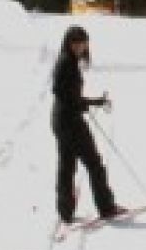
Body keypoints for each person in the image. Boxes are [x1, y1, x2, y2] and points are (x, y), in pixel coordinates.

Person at [51, 25, 126, 223]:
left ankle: (65, 211)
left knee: (67, 165)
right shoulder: (66, 62)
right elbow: (59, 92)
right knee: (94, 164)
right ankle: (107, 207)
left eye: (83, 42)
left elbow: (70, 96)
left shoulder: (69, 60)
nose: (80, 46)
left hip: (63, 120)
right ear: (68, 42)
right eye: (76, 42)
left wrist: (91, 102)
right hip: (70, 122)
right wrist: (83, 104)